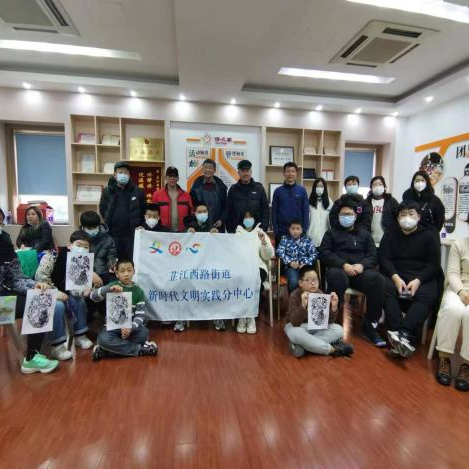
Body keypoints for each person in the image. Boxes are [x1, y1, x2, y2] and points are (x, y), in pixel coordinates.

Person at [320, 200, 387, 347]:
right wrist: (343, 265)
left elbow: (373, 255)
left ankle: (370, 326)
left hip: (360, 272)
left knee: (379, 280)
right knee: (336, 278)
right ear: (338, 216)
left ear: (355, 216)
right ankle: (332, 324)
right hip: (339, 269)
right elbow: (324, 253)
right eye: (343, 214)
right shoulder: (331, 233)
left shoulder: (365, 234)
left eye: (349, 214)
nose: (346, 217)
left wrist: (362, 265)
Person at [0, 209, 59, 374]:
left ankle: (32, 357)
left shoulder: (4, 240)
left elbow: (15, 277)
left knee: (41, 298)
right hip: (1, 305)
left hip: (5, 299)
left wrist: (34, 285)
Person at [380, 201, 440, 359]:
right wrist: (395, 277)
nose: (407, 218)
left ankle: (403, 333)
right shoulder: (390, 234)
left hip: (421, 276)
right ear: (398, 218)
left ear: (418, 217)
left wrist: (418, 280)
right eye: (403, 214)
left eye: (411, 214)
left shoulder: (429, 235)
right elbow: (384, 259)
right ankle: (399, 332)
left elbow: (433, 264)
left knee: (428, 294)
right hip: (396, 274)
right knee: (384, 288)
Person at [41, 230, 95, 360]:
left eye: (86, 247)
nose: (82, 249)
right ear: (70, 245)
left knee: (79, 300)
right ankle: (57, 346)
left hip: (67, 293)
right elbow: (40, 277)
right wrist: (55, 292)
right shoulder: (54, 254)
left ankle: (79, 336)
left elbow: (79, 284)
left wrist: (86, 289)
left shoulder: (84, 260)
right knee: (58, 306)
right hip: (47, 291)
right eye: (78, 245)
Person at [90, 259, 157, 360]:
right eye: (122, 271)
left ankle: (107, 350)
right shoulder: (112, 285)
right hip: (112, 328)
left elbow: (140, 315)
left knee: (144, 334)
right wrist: (108, 289)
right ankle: (139, 349)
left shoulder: (138, 291)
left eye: (129, 270)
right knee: (103, 339)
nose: (126, 274)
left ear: (134, 271)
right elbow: (93, 296)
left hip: (130, 328)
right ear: (117, 274)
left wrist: (131, 328)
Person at [285, 266, 354, 358]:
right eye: (309, 280)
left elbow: (328, 322)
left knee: (338, 329)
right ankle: (332, 350)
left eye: (315, 280)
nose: (313, 283)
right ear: (300, 283)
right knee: (295, 333)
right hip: (298, 326)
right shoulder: (294, 295)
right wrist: (303, 305)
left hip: (316, 327)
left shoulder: (320, 294)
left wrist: (333, 307)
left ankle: (303, 346)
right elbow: (295, 322)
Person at [173, 203, 220, 333]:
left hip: (208, 268)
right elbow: (181, 246)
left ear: (208, 213)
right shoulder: (189, 228)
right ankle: (181, 318)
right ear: (194, 213)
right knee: (183, 284)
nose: (202, 214)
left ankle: (217, 317)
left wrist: (218, 235)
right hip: (191, 268)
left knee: (216, 283)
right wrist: (186, 234)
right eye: (199, 212)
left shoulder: (212, 228)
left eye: (204, 211)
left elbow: (220, 250)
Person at [435, 221, 469, 391]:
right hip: (458, 287)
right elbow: (453, 273)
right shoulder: (459, 244)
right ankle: (444, 358)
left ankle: (466, 365)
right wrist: (461, 291)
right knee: (452, 310)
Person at [235, 210, 275, 334]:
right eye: (246, 217)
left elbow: (268, 256)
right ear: (242, 220)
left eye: (251, 217)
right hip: (241, 268)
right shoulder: (237, 235)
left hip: (258, 267)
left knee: (252, 280)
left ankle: (250, 316)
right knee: (245, 280)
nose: (248, 220)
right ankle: (244, 316)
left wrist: (263, 242)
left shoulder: (260, 233)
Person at [99, 161, 146, 260]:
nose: (123, 175)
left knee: (131, 261)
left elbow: (143, 210)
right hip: (113, 234)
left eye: (126, 172)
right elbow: (103, 209)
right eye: (120, 172)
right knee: (115, 261)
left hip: (131, 235)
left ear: (129, 175)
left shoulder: (138, 191)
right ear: (115, 175)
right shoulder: (108, 191)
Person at [271, 162, 309, 246]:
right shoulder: (278, 191)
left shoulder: (302, 190)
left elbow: (306, 211)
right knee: (281, 254)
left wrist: (304, 230)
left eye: (292, 171)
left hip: (298, 232)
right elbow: (274, 212)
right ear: (284, 173)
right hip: (281, 232)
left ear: (296, 173)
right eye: (288, 171)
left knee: (298, 255)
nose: (290, 174)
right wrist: (276, 231)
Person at [226, 160, 269, 233]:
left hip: (256, 230)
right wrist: (231, 230)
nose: (245, 174)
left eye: (247, 171)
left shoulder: (259, 188)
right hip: (237, 231)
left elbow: (265, 210)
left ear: (251, 172)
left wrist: (263, 228)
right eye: (243, 171)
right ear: (239, 173)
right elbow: (228, 211)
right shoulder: (233, 190)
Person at [276, 219, 318, 293]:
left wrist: (305, 263)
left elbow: (314, 254)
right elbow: (279, 252)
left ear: (301, 230)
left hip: (305, 267)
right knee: (294, 282)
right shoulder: (284, 239)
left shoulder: (307, 240)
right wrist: (290, 263)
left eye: (298, 229)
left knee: (311, 281)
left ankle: (310, 299)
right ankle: (294, 299)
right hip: (291, 268)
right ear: (289, 230)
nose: (295, 231)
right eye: (293, 229)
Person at [80, 211, 117, 285]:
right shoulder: (78, 239)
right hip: (83, 273)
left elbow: (111, 256)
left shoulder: (108, 239)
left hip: (103, 273)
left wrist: (112, 265)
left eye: (95, 227)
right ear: (83, 227)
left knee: (115, 285)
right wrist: (90, 273)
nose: (92, 230)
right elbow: (76, 261)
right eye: (89, 228)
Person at [189, 158, 227, 231]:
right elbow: (192, 207)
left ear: (214, 170)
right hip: (200, 227)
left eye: (210, 168)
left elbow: (225, 206)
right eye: (205, 167)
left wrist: (221, 220)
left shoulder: (221, 187)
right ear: (202, 169)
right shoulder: (196, 187)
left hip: (217, 226)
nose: (208, 170)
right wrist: (194, 223)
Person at [152, 166, 193, 232]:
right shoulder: (157, 194)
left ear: (178, 178)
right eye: (170, 176)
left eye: (174, 176)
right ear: (165, 177)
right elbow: (152, 214)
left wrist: (191, 226)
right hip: (163, 232)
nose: (172, 178)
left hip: (182, 232)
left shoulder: (186, 195)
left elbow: (191, 213)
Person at [365, 176, 399, 246]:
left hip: (388, 240)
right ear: (371, 188)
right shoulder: (366, 202)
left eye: (380, 184)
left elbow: (398, 217)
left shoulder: (391, 201)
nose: (378, 186)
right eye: (375, 184)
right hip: (370, 241)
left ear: (384, 187)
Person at [307, 178, 333, 248]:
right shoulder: (309, 201)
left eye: (321, 186)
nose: (319, 188)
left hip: (325, 237)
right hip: (311, 236)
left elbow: (331, 220)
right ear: (314, 188)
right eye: (317, 186)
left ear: (325, 188)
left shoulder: (329, 202)